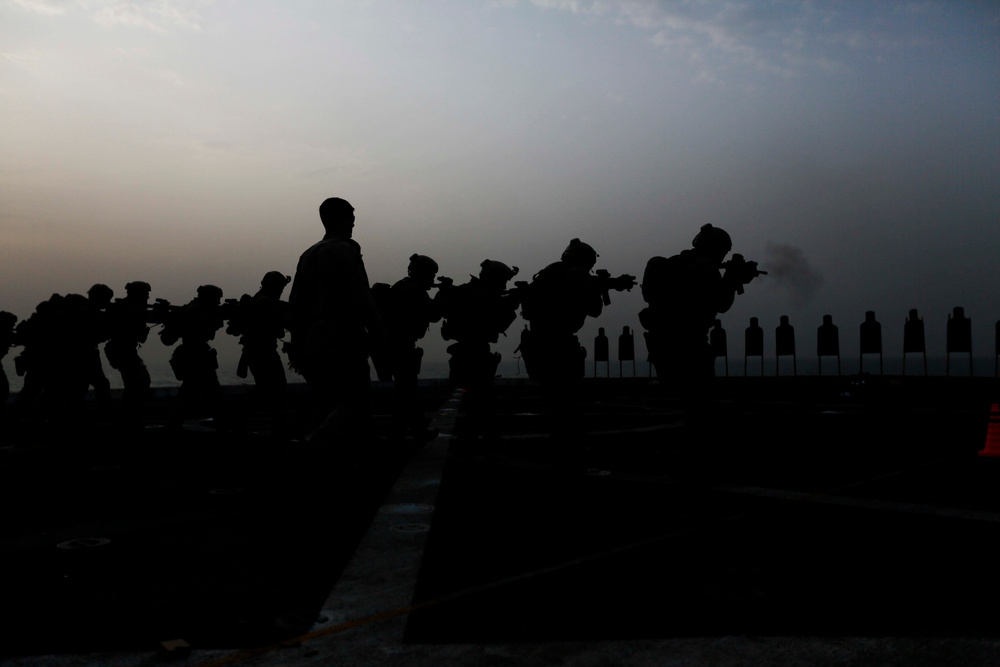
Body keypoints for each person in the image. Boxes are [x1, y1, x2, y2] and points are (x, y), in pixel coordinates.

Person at [287, 197, 388, 445]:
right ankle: (316, 447)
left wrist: (297, 346)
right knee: (357, 402)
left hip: (314, 344)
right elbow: (363, 301)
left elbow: (297, 306)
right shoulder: (344, 251)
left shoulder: (308, 254)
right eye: (351, 217)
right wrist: (381, 337)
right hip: (343, 344)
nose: (354, 223)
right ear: (340, 218)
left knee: (330, 402)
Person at [517, 238, 635, 442]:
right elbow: (595, 310)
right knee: (567, 399)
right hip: (560, 343)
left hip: (537, 342)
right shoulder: (578, 274)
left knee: (554, 400)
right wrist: (596, 289)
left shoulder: (549, 271)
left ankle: (560, 441)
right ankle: (569, 445)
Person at [639, 223, 761, 386]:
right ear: (716, 248)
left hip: (660, 344)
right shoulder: (706, 267)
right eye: (723, 251)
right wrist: (732, 279)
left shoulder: (674, 263)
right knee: (700, 394)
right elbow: (721, 304)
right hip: (689, 345)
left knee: (672, 390)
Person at [437, 259, 519, 445]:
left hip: (463, 353)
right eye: (503, 280)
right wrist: (512, 303)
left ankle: (481, 439)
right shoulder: (484, 296)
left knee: (479, 401)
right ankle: (475, 441)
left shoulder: (468, 290)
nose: (504, 285)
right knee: (480, 400)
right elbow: (495, 323)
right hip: (476, 354)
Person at [379, 254, 448, 441]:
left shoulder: (402, 286)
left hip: (395, 345)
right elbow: (433, 314)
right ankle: (415, 430)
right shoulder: (414, 290)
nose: (432, 279)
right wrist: (443, 294)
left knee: (405, 391)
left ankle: (401, 431)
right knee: (407, 391)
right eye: (431, 274)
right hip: (402, 345)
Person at [227, 271, 292, 435]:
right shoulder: (265, 302)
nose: (281, 290)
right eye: (280, 287)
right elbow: (282, 324)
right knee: (275, 387)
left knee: (267, 388)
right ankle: (275, 425)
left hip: (260, 351)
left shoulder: (263, 300)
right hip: (262, 351)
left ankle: (240, 419)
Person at [160, 284, 227, 430]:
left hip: (195, 355)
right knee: (209, 396)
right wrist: (218, 317)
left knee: (193, 394)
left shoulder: (194, 308)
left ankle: (173, 424)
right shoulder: (196, 311)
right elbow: (209, 331)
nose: (218, 303)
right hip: (196, 356)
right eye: (216, 299)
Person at [105, 281, 154, 423]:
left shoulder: (130, 307)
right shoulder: (129, 308)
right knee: (137, 383)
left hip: (125, 350)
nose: (147, 298)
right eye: (145, 295)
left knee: (137, 383)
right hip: (122, 350)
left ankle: (129, 417)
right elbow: (148, 317)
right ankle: (129, 418)